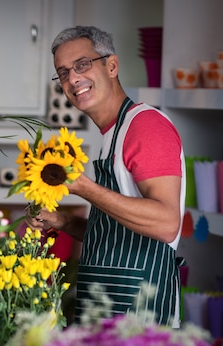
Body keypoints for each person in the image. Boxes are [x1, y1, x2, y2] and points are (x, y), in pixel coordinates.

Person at [27, 26, 185, 327]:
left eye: (82, 64)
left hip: (140, 314)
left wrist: (84, 187)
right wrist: (64, 222)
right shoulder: (111, 134)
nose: (72, 78)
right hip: (106, 309)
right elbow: (117, 235)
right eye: (62, 73)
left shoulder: (145, 127)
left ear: (111, 66)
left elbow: (166, 224)